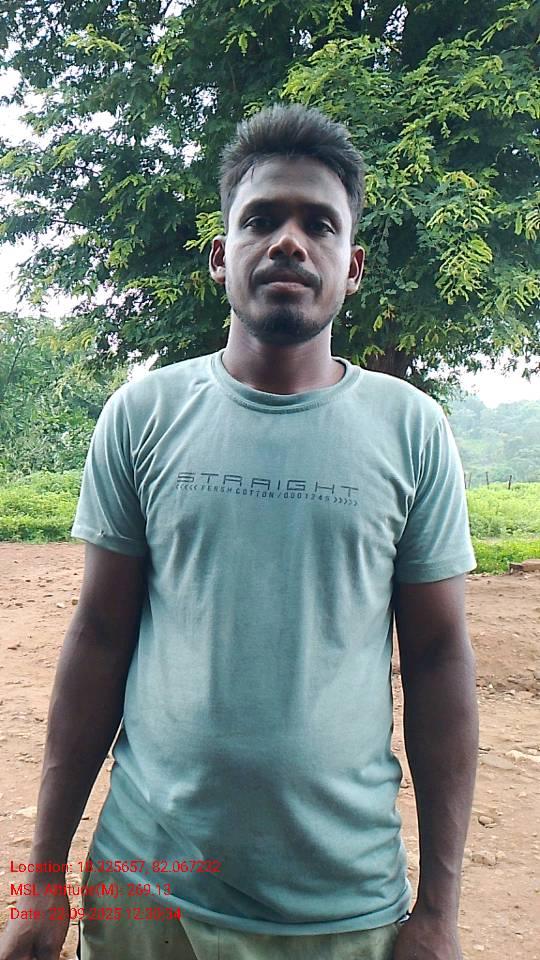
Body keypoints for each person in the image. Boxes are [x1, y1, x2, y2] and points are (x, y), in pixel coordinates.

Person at [0, 103, 478, 960]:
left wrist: (440, 912)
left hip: (340, 908)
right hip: (144, 894)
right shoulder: (142, 416)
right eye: (260, 220)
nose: (288, 241)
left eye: (318, 224)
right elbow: (99, 636)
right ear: (222, 255)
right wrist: (41, 878)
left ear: (351, 267)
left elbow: (440, 659)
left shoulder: (412, 430)